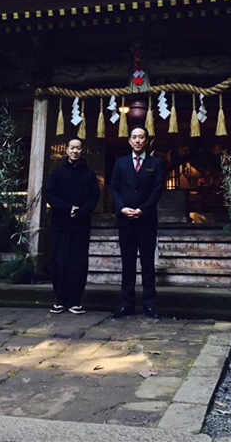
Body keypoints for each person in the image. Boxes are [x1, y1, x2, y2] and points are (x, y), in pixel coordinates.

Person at [109, 125, 164, 319]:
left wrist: (142, 210)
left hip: (147, 221)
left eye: (141, 137)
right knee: (128, 263)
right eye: (134, 137)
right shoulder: (121, 163)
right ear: (129, 141)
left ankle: (149, 305)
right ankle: (127, 305)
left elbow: (157, 190)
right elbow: (114, 188)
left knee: (147, 264)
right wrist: (122, 208)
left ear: (146, 140)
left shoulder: (155, 163)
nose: (138, 140)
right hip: (125, 221)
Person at [45, 136, 99, 314]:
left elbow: (94, 196)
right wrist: (67, 208)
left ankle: (75, 300)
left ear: (82, 151)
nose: (75, 151)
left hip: (81, 224)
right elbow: (51, 195)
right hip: (60, 223)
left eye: (78, 148)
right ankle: (60, 300)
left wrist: (81, 210)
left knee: (78, 262)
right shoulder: (57, 173)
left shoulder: (89, 174)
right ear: (66, 150)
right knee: (59, 261)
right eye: (72, 148)